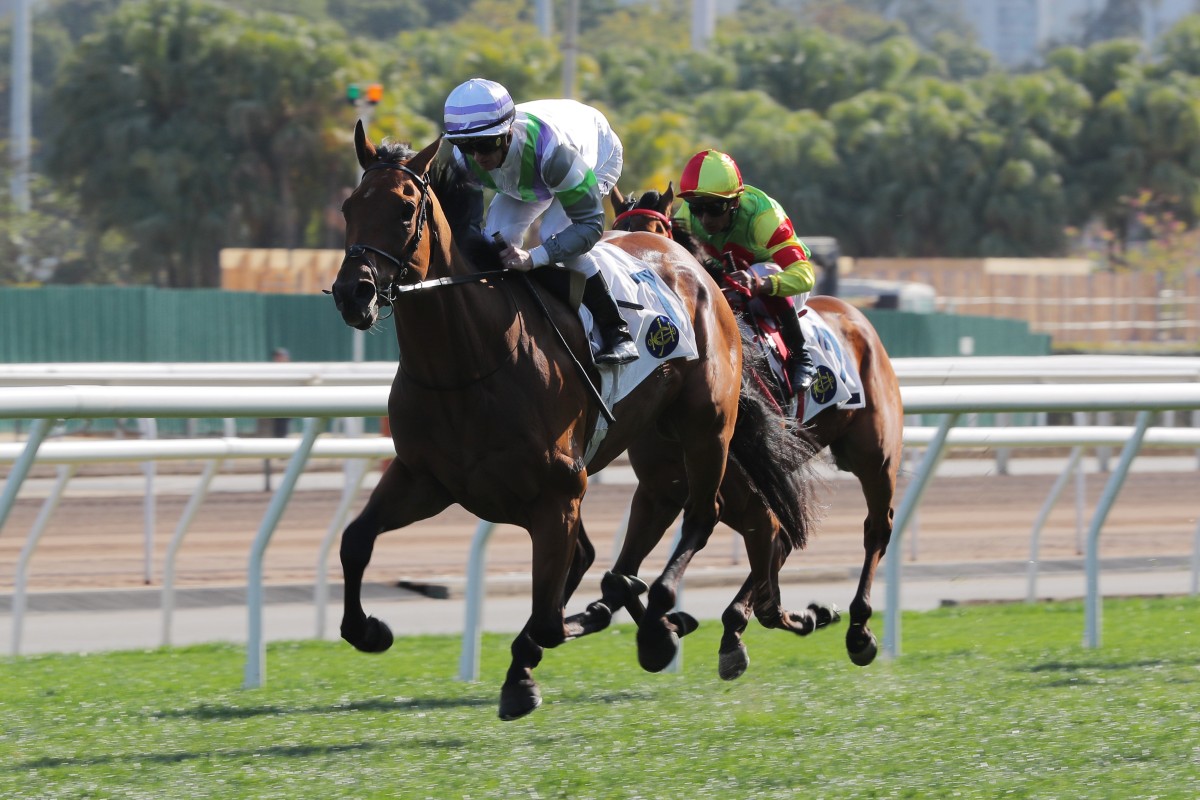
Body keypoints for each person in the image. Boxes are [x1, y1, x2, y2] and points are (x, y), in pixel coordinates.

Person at [442, 78, 638, 365]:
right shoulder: (463, 158)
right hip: (529, 171)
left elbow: (591, 226)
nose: (478, 156)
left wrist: (533, 258)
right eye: (466, 146)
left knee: (553, 234)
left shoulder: (553, 154)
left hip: (595, 154)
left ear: (507, 133)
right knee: (496, 238)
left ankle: (617, 333)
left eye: (486, 144)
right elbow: (466, 229)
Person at [674, 149, 818, 392]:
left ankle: (800, 355)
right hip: (730, 285)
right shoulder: (687, 217)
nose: (705, 219)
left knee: (761, 269)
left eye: (714, 207)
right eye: (697, 207)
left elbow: (805, 275)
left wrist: (760, 283)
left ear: (735, 202)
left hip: (781, 288)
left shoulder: (764, 216)